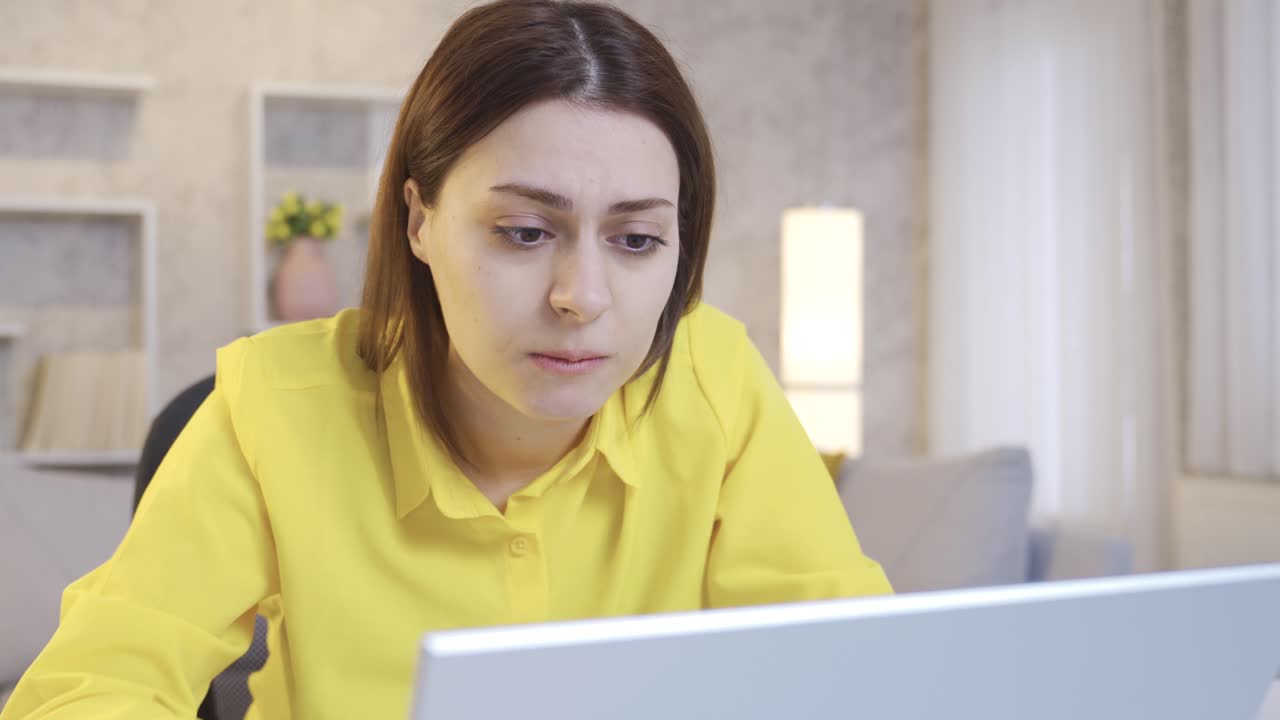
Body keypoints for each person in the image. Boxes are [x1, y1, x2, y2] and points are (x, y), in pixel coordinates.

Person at [0, 1, 892, 717]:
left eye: (636, 240)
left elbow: (856, 673)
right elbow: (88, 691)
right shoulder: (273, 407)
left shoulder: (714, 379)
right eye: (525, 232)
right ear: (420, 220)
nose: (580, 295)